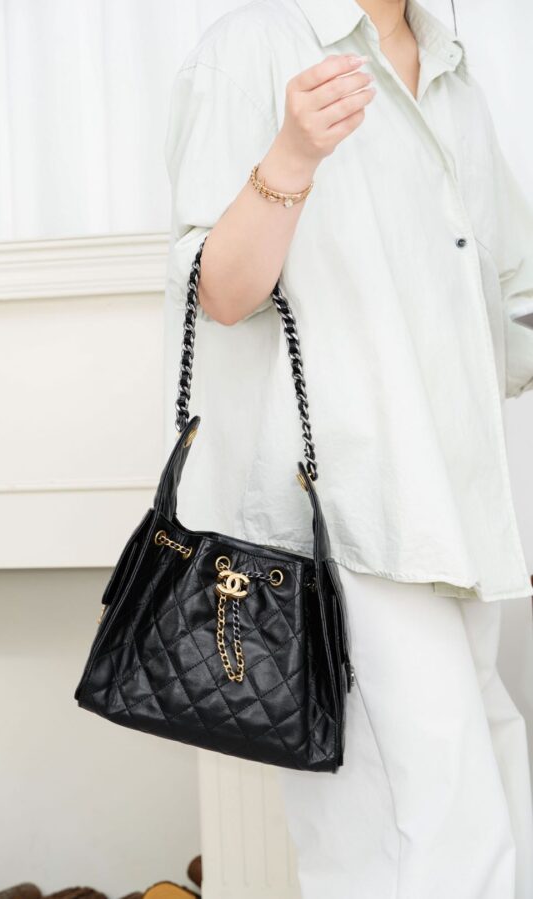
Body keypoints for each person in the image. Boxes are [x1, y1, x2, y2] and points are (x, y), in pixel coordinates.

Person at [162, 0, 533, 896]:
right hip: (346, 511)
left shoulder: (449, 67)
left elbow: (503, 298)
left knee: (485, 807)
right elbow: (220, 294)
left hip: (459, 505)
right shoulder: (252, 48)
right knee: (432, 841)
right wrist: (293, 156)